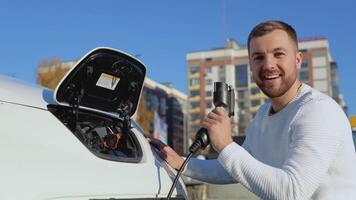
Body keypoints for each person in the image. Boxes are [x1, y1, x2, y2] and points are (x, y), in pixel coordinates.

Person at [149, 20, 356, 199]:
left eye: (278, 54)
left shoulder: (318, 111)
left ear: (297, 60)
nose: (268, 65)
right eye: (258, 57)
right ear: (250, 65)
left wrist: (226, 145)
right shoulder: (262, 116)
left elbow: (292, 193)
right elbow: (232, 169)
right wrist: (180, 162)